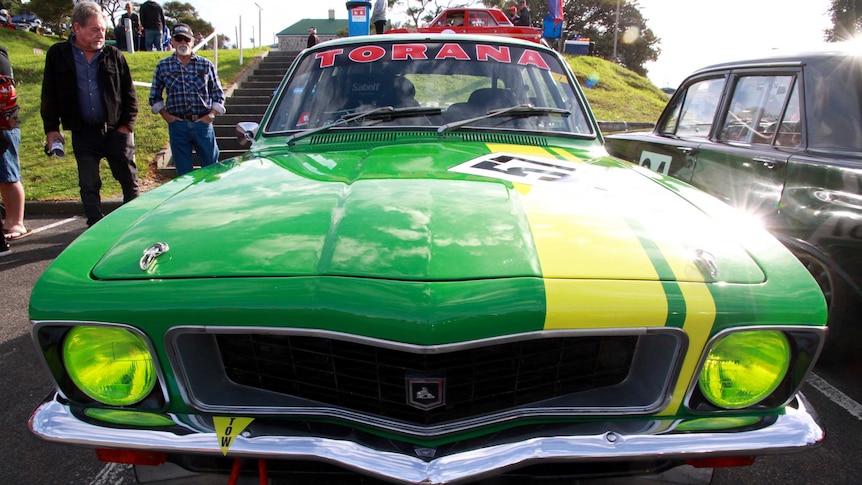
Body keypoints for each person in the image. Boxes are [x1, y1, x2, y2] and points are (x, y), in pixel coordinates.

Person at [40, 1, 140, 227]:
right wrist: (51, 129)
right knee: (89, 182)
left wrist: (126, 127)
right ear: (77, 28)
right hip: (83, 132)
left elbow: (130, 95)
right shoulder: (58, 55)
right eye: (95, 29)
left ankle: (134, 225)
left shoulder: (114, 55)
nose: (101, 34)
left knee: (128, 179)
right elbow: (49, 94)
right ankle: (94, 226)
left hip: (116, 130)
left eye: (103, 29)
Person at [149, 23, 226, 176]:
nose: (183, 43)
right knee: (183, 173)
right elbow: (154, 96)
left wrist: (210, 115)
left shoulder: (205, 65)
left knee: (212, 170)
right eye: (179, 39)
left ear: (192, 41)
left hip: (202, 125)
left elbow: (218, 93)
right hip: (178, 126)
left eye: (187, 39)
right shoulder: (163, 66)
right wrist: (167, 117)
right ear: (172, 41)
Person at [0, 45, 25, 247]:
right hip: (6, 125)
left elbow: (6, 94)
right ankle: (10, 220)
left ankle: (16, 222)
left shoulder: (1, 59)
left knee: (9, 175)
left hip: (4, 126)